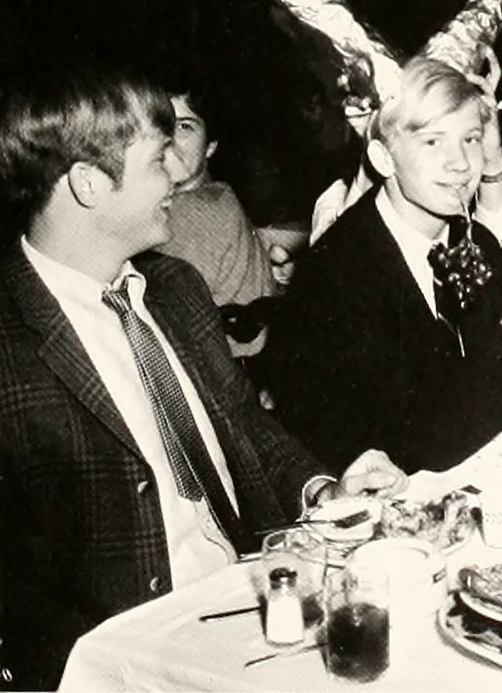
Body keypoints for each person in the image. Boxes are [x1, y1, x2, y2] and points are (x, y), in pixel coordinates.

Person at [0, 66, 407, 691]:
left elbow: (247, 426)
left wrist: (323, 494)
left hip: (252, 613)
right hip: (132, 663)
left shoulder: (175, 288)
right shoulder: (10, 343)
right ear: (87, 183)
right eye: (157, 159)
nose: (177, 175)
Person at [263, 55, 502, 474]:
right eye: (433, 142)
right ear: (384, 158)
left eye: (470, 139)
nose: (461, 163)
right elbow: (425, 450)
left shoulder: (472, 241)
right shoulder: (336, 274)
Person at [153, 81, 298, 358]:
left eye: (184, 126)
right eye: (161, 124)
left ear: (211, 146)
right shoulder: (218, 197)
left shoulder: (191, 210)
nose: (169, 139)